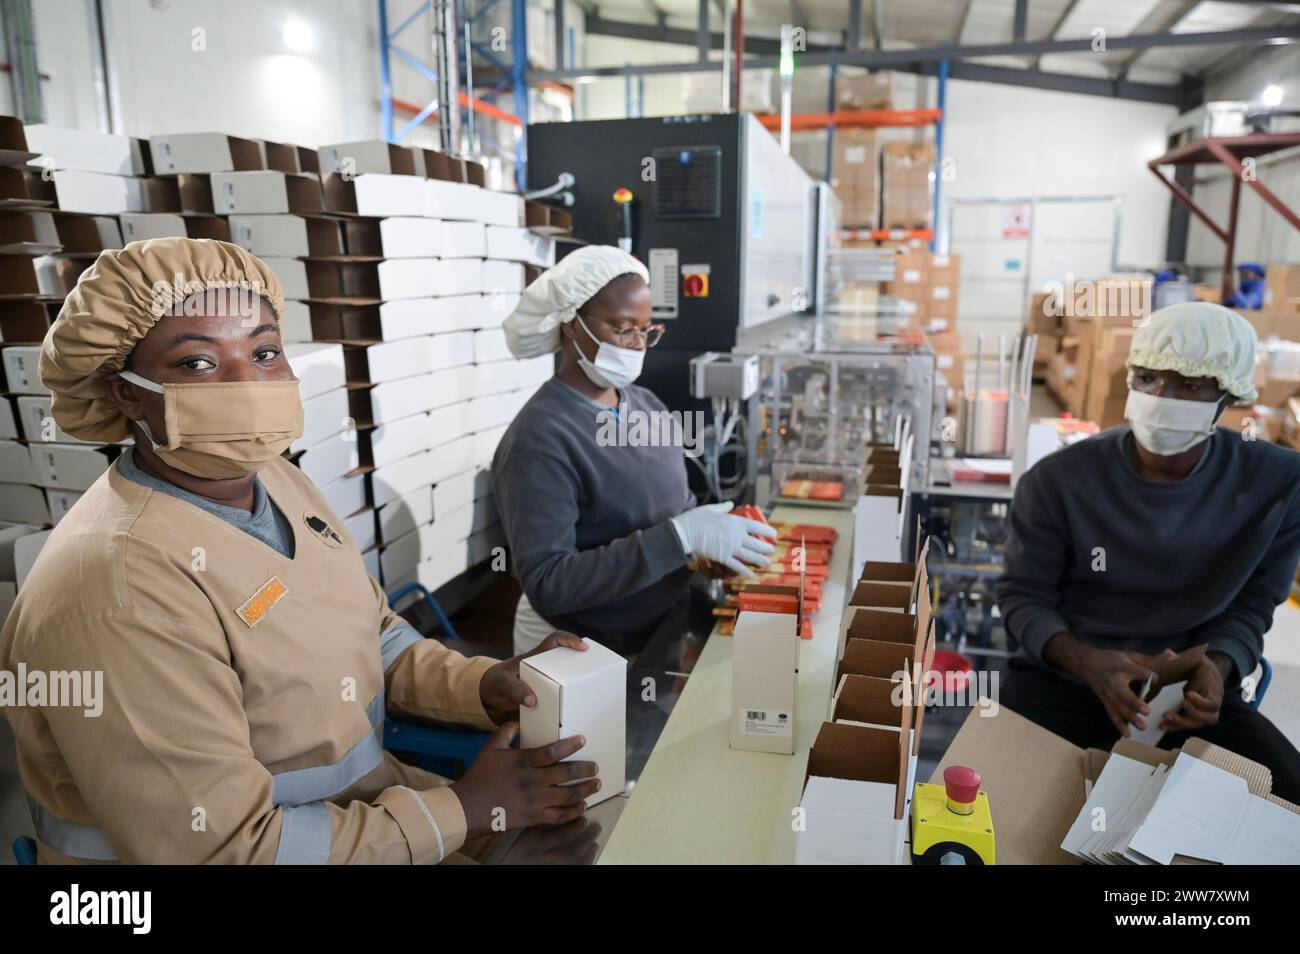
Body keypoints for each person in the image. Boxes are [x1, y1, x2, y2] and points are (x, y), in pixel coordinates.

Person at [1, 237, 601, 864]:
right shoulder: (116, 591)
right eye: (199, 364)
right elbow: (229, 851)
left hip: (363, 818)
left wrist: (486, 686)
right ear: (125, 392)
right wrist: (468, 809)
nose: (247, 382)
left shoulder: (277, 482)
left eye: (264, 352)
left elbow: (372, 633)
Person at [997, 301, 1300, 802]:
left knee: (1284, 804)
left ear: (1227, 396)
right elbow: (1023, 597)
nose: (1163, 396)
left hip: (1187, 699)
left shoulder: (1276, 486)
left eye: (1188, 384)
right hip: (1065, 681)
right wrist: (1092, 664)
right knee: (1007, 814)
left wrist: (1219, 667)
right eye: (1148, 378)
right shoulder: (1059, 481)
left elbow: (1252, 606)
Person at [493, 246, 776, 655]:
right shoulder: (539, 439)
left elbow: (674, 510)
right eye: (623, 329)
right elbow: (550, 583)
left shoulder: (644, 403)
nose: (637, 344)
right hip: (585, 646)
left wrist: (707, 550)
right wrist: (680, 537)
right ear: (572, 325)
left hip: (658, 630)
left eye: (647, 330)